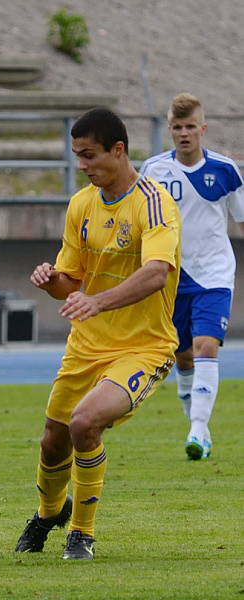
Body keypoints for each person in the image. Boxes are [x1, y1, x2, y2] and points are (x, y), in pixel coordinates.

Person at [14, 107, 180, 560]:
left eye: (88, 156)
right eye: (76, 156)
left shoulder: (154, 202)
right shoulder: (82, 204)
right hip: (86, 345)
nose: (82, 166)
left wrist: (96, 300)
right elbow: (71, 282)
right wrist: (53, 281)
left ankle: (81, 534)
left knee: (85, 423)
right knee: (53, 439)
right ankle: (50, 512)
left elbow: (156, 274)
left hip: (144, 347)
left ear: (118, 149)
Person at [140, 93, 244, 460]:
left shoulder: (226, 170)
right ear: (169, 129)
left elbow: (241, 218)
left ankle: (198, 432)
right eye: (177, 127)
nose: (184, 133)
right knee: (182, 356)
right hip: (169, 277)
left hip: (214, 273)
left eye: (190, 127)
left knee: (206, 346)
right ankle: (198, 426)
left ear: (203, 128)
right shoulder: (152, 171)